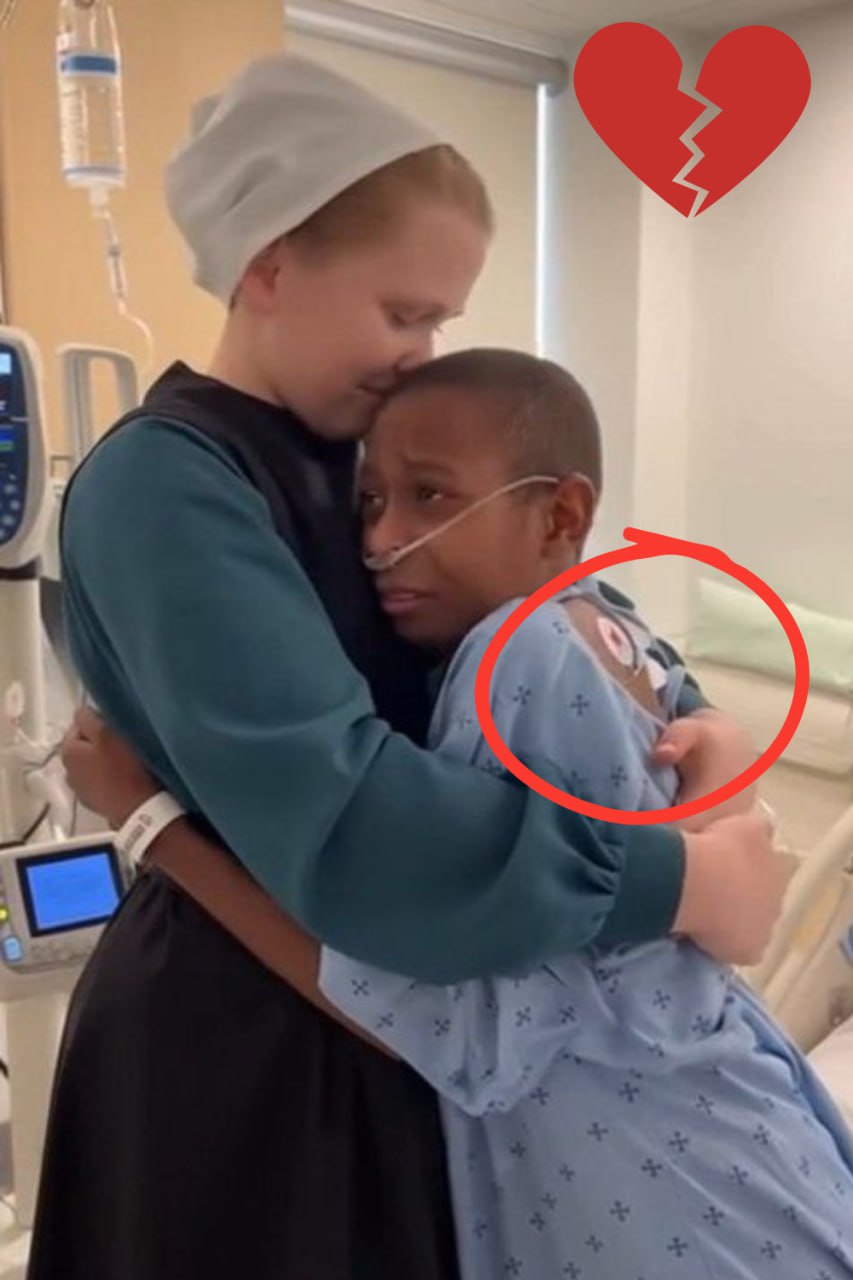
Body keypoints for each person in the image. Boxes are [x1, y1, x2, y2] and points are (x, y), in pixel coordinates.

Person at [32, 53, 788, 1280]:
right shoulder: (167, 485)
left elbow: (546, 592)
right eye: (403, 313)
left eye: (441, 318)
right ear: (270, 264)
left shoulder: (367, 454)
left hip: (435, 1017)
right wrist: (677, 877)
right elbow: (355, 820)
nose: (423, 348)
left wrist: (693, 717)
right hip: (256, 1053)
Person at [66, 349, 853, 1280]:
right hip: (742, 1145)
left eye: (430, 497)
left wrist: (152, 822)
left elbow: (462, 1025)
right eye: (369, 503)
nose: (380, 542)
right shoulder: (599, 621)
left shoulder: (517, 664)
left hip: (685, 1202)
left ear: (560, 515)